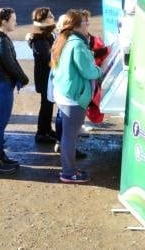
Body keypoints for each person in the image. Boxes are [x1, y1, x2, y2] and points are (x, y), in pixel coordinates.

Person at [51, 9, 101, 183]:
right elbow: (88, 71)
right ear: (78, 26)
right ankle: (69, 172)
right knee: (69, 136)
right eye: (85, 23)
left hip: (64, 93)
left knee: (67, 135)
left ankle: (69, 168)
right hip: (73, 97)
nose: (88, 25)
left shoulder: (65, 39)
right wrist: (99, 70)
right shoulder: (77, 44)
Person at [0, 7, 29, 175]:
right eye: (13, 19)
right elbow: (10, 64)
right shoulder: (0, 40)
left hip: (0, 84)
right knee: (0, 126)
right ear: (3, 22)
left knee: (0, 125)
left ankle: (0, 156)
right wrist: (24, 79)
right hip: (1, 85)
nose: (16, 22)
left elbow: (12, 62)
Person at [26, 7, 59, 144]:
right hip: (44, 77)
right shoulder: (38, 39)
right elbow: (48, 59)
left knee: (49, 104)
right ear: (43, 20)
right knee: (45, 104)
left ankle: (47, 129)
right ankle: (41, 133)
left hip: (48, 76)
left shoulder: (47, 35)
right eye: (50, 15)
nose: (53, 16)